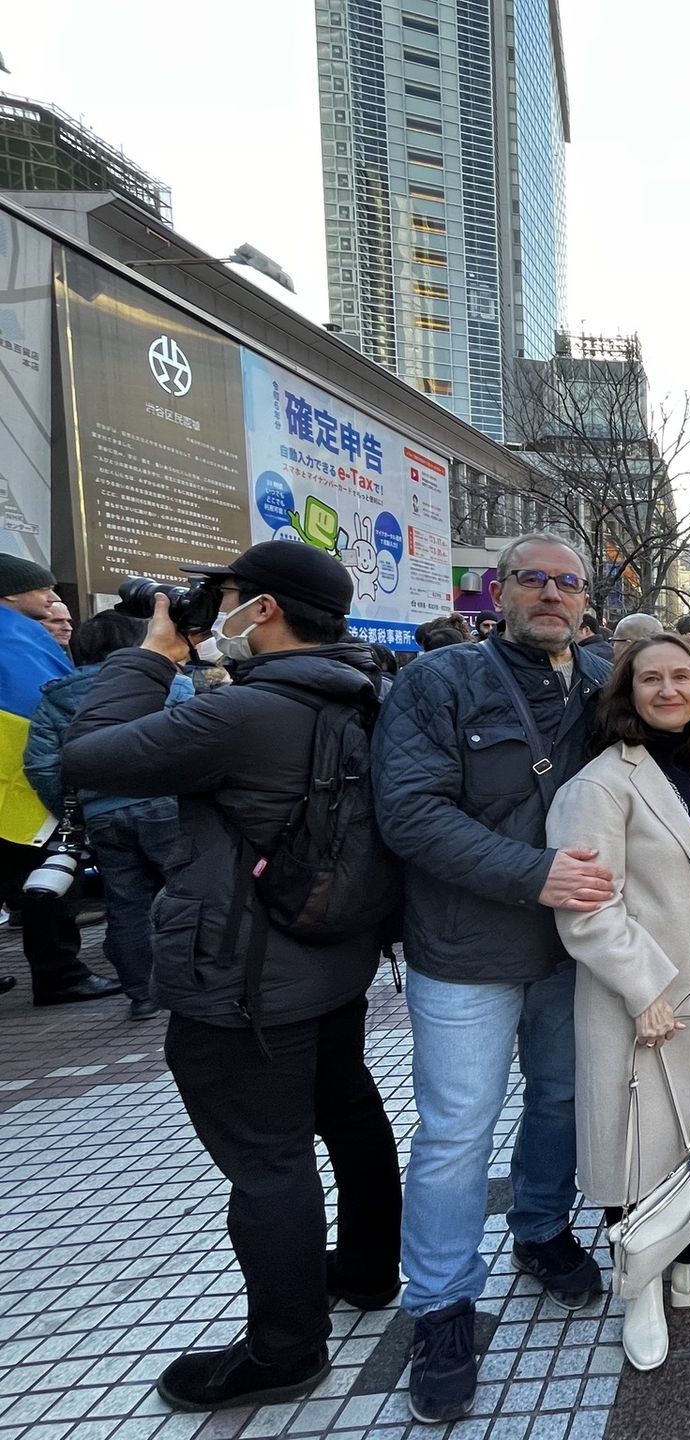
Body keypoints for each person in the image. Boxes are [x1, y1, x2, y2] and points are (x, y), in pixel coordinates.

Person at [62, 541, 401, 1412]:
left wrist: (151, 654)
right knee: (348, 1109)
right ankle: (366, 1270)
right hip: (333, 957)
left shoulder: (245, 716)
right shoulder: (364, 690)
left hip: (244, 978)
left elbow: (90, 755)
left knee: (267, 1165)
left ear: (265, 611)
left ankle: (284, 1349)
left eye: (233, 598)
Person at [373, 533, 613, 1425]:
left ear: (586, 597)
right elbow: (407, 810)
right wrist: (532, 873)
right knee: (454, 1131)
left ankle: (542, 1228)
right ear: (496, 590)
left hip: (569, 947)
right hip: (466, 948)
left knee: (559, 1101)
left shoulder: (599, 681)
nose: (551, 594)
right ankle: (440, 1305)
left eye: (567, 582)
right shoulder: (439, 682)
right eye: (533, 579)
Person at [547, 633, 690, 1372]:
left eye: (682, 676)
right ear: (627, 692)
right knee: (637, 1145)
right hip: (637, 1002)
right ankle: (640, 1289)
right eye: (651, 678)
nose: (670, 689)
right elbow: (589, 908)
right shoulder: (598, 784)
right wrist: (643, 988)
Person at [24, 610, 194, 1020]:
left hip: (102, 815)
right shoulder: (170, 682)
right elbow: (194, 741)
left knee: (126, 904)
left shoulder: (54, 698)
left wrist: (76, 809)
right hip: (167, 804)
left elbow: (41, 765)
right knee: (190, 893)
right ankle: (196, 981)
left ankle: (141, 994)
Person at [0, 554, 117, 1005]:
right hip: (25, 787)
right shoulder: (16, 638)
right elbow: (55, 712)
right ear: (11, 593)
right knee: (50, 882)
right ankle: (60, 976)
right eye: (44, 590)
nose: (53, 600)